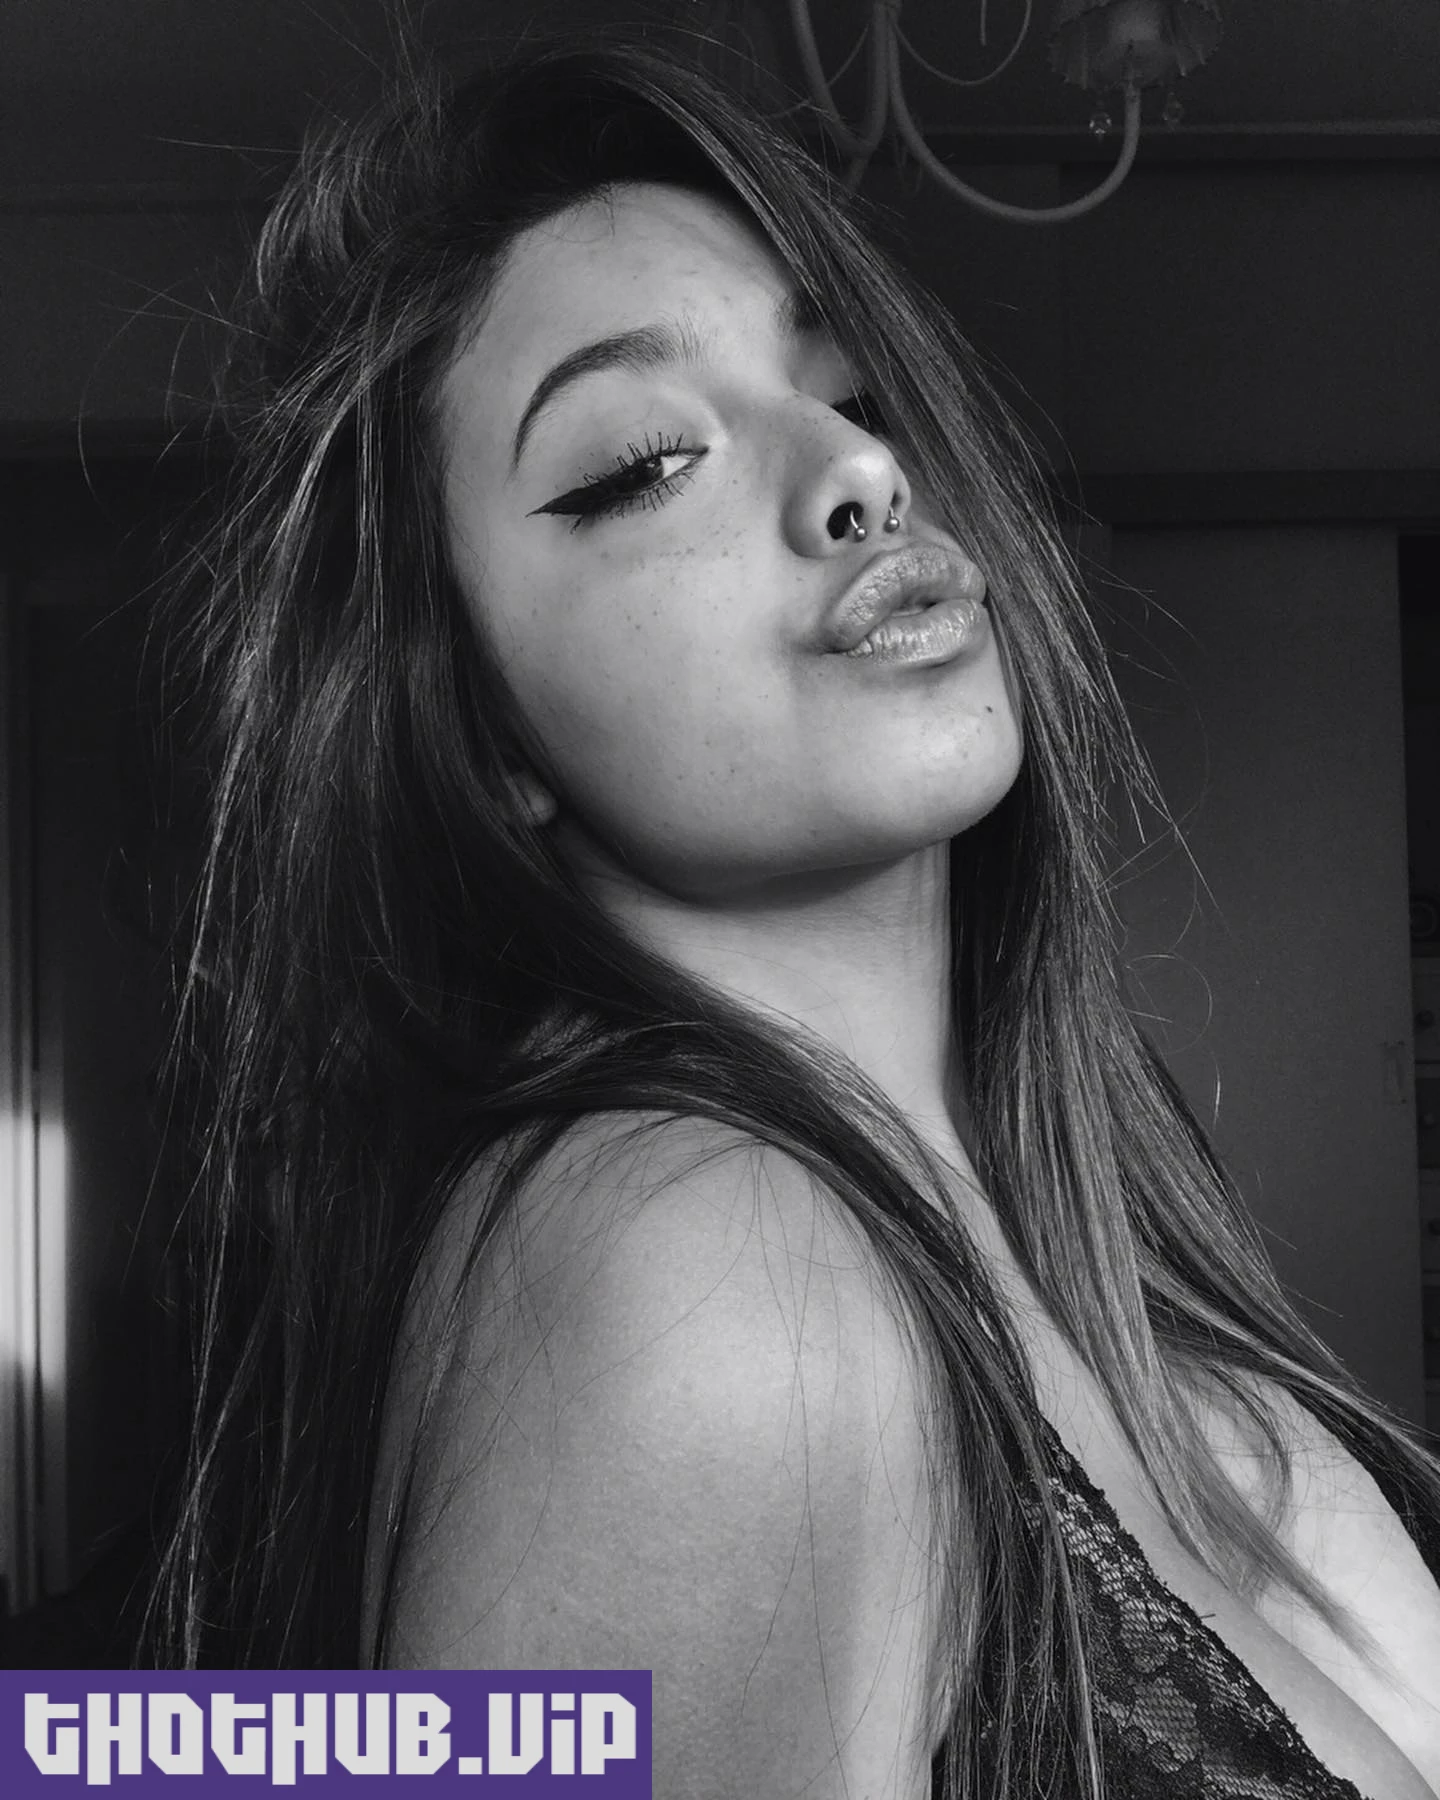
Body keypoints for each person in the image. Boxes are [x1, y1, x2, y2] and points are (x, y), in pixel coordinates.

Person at [149, 32, 1440, 1798]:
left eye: (857, 392)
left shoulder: (1094, 1260)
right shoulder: (699, 1274)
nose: (855, 471)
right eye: (640, 464)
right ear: (474, 729)